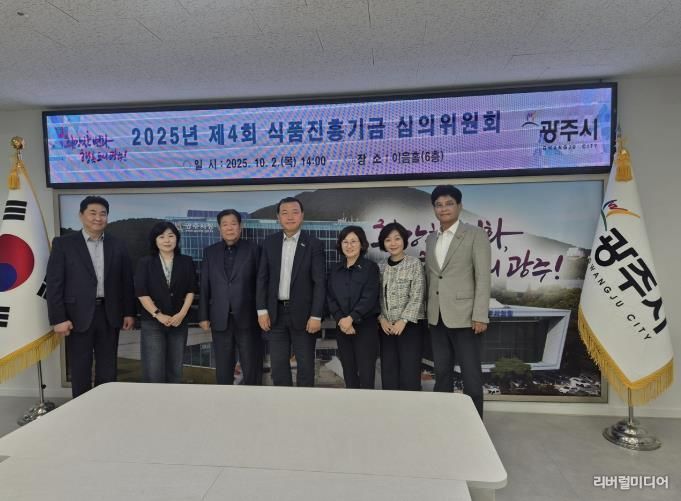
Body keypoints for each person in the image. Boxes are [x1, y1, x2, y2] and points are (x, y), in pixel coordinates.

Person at [46, 195, 135, 398]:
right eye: (92, 213)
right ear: (81, 215)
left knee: (108, 367)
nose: (98, 218)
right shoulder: (64, 244)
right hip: (76, 315)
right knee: (80, 367)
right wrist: (58, 318)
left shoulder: (118, 245)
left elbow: (126, 282)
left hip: (109, 313)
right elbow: (54, 283)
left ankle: (105, 405)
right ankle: (81, 408)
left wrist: (129, 312)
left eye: (103, 214)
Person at [425, 185, 491, 418]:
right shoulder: (431, 239)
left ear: (460, 206)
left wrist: (480, 315)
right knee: (442, 374)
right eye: (439, 205)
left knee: (471, 377)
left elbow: (483, 277)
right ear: (434, 209)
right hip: (437, 318)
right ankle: (443, 422)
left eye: (449, 203)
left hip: (466, 317)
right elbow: (433, 277)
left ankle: (475, 427)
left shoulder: (475, 234)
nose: (444, 209)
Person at [256, 197, 325, 387]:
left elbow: (320, 283)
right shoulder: (269, 243)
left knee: (305, 367)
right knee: (278, 368)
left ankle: (303, 404)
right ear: (278, 217)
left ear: (302, 216)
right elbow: (262, 279)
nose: (290, 217)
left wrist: (316, 315)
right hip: (275, 314)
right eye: (284, 213)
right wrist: (262, 311)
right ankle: (283, 403)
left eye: (295, 212)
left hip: (305, 316)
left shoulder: (313, 244)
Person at [198, 209, 262, 385]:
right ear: (219, 228)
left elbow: (261, 283)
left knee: (251, 365)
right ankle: (224, 399)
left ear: (240, 227)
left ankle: (254, 398)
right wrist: (203, 316)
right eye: (225, 224)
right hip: (220, 317)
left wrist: (262, 312)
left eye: (233, 224)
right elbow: (204, 285)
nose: (229, 228)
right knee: (223, 366)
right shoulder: (210, 252)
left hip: (248, 317)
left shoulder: (254, 249)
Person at [135, 221, 196, 384]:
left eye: (171, 236)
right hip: (153, 322)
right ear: (155, 240)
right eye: (161, 237)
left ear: (177, 238)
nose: (167, 240)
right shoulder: (145, 262)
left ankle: (174, 400)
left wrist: (181, 314)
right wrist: (158, 315)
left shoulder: (186, 261)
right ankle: (154, 400)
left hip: (178, 322)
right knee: (154, 370)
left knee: (175, 370)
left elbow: (191, 290)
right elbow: (141, 293)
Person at [327, 226, 380, 389]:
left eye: (353, 241)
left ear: (362, 244)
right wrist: (341, 320)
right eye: (345, 242)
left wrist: (351, 318)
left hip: (365, 327)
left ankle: (367, 404)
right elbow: (330, 297)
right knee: (349, 373)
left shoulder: (370, 267)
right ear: (340, 244)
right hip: (342, 327)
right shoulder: (335, 269)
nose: (349, 246)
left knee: (366, 374)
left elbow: (369, 297)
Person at [377, 221, 425, 391]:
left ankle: (410, 406)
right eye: (388, 240)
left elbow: (417, 295)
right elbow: (377, 297)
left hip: (409, 326)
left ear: (404, 240)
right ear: (383, 243)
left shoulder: (414, 263)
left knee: (409, 373)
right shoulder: (380, 266)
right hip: (387, 328)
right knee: (389, 372)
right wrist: (382, 319)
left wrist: (403, 320)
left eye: (397, 238)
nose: (393, 243)